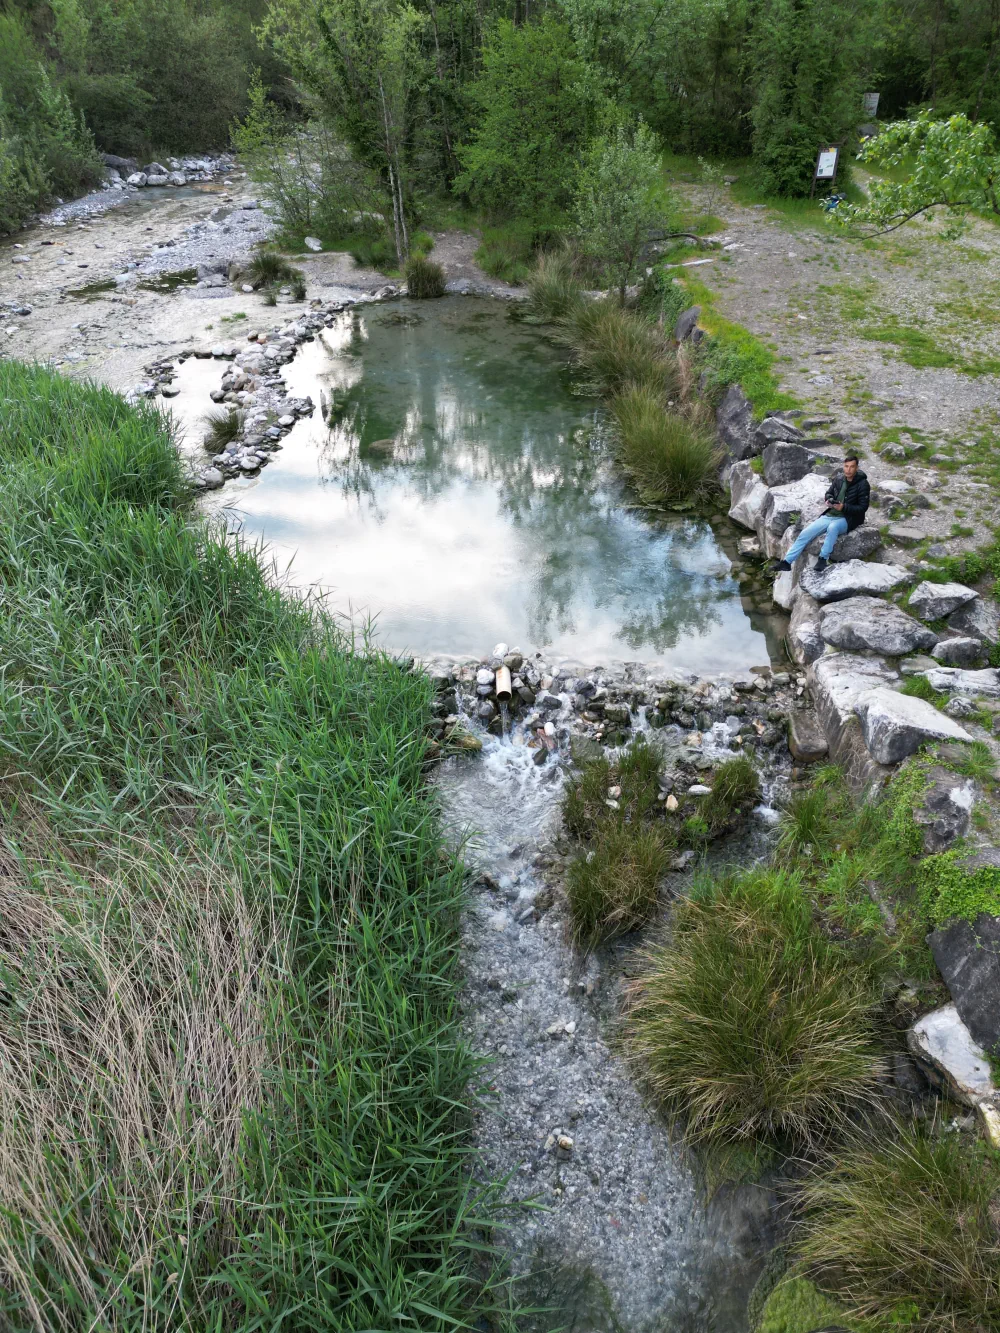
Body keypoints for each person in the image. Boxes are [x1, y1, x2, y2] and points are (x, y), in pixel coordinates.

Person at [774, 454, 870, 575]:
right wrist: (829, 500)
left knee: (833, 528)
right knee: (805, 533)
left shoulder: (863, 484)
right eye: (846, 466)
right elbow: (828, 493)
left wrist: (844, 507)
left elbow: (863, 507)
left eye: (852, 467)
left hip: (849, 518)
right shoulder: (839, 479)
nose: (848, 470)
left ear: (857, 468)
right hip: (831, 514)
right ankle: (787, 562)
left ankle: (823, 559)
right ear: (843, 466)